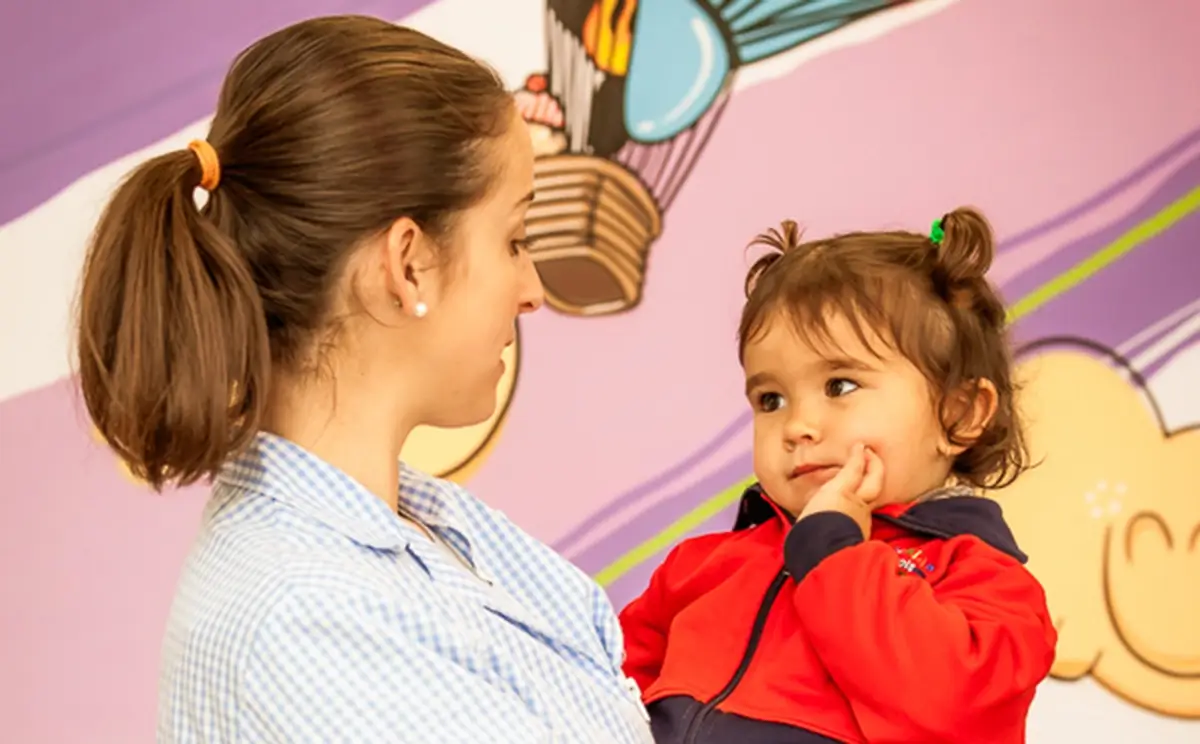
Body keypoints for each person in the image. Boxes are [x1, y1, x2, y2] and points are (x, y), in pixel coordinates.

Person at [76, 15, 653, 744]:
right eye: (513, 241)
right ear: (408, 264)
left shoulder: (425, 528)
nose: (533, 290)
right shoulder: (306, 624)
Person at [618, 209, 1058, 743]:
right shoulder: (701, 567)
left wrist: (832, 553)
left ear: (959, 412)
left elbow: (948, 707)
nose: (797, 426)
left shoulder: (984, 582)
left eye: (840, 386)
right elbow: (603, 692)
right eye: (771, 399)